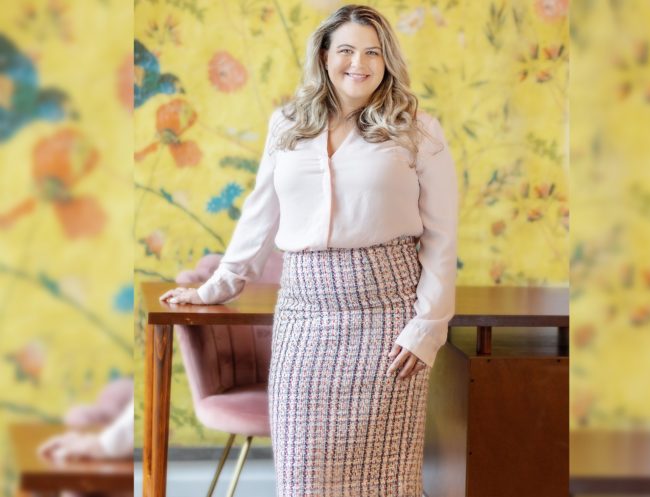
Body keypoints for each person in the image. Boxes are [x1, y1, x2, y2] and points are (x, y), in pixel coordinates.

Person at [160, 4, 458, 496]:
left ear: (387, 62)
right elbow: (260, 216)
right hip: (303, 317)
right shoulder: (287, 124)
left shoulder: (419, 129)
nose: (358, 63)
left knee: (385, 482)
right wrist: (215, 287)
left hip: (385, 321)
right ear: (323, 55)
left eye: (372, 52)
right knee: (303, 477)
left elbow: (442, 237)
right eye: (346, 50)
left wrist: (426, 327)